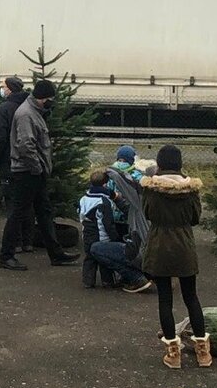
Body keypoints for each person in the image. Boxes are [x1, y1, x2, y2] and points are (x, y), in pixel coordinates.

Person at [0, 79, 80, 271]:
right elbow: (26, 145)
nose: (53, 102)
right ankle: (6, 256)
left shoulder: (34, 111)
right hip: (27, 173)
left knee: (44, 213)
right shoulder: (26, 114)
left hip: (34, 172)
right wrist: (37, 169)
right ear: (43, 98)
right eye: (51, 99)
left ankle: (56, 253)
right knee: (18, 214)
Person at [141, 144, 210, 369]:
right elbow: (195, 217)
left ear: (159, 164)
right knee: (192, 297)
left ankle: (173, 353)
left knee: (165, 299)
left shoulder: (151, 189)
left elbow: (147, 213)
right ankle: (203, 352)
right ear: (180, 163)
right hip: (184, 246)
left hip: (160, 245)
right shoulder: (191, 189)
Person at [80, 170, 153, 293]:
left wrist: (109, 170)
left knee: (97, 251)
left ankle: (136, 277)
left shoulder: (84, 199)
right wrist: (115, 197)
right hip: (153, 254)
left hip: (140, 252)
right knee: (106, 252)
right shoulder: (152, 203)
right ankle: (108, 281)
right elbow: (114, 218)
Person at [0, 76, 34, 253]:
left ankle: (14, 242)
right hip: (28, 161)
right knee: (27, 201)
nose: (1, 90)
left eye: (3, 87)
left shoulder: (5, 108)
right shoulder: (29, 107)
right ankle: (27, 241)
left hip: (9, 161)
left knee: (12, 203)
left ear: (9, 89)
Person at [106, 145, 144, 238]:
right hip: (129, 216)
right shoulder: (136, 175)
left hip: (112, 215)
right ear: (132, 160)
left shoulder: (111, 172)